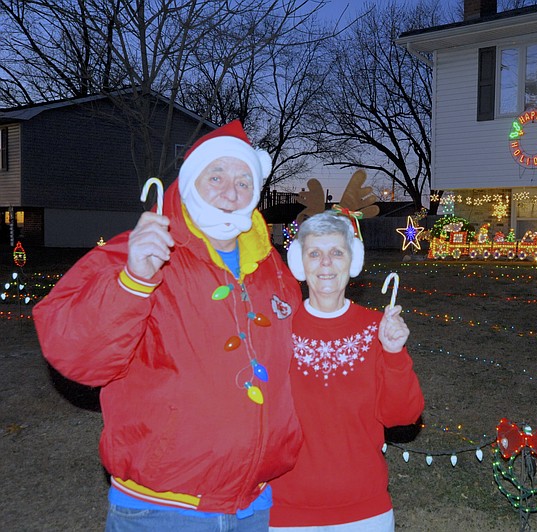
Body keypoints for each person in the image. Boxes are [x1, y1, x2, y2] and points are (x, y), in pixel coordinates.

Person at [33, 120, 303, 531]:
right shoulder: (142, 249)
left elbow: (296, 364)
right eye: (217, 177)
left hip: (254, 504)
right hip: (163, 510)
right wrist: (134, 281)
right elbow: (76, 352)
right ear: (191, 181)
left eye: (244, 181)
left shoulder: (272, 268)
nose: (231, 192)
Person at [269, 210, 425, 531]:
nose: (326, 263)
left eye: (337, 252)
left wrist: (394, 353)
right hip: (287, 513)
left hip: (365, 512)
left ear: (352, 262)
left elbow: (402, 416)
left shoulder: (376, 329)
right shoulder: (277, 329)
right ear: (299, 264)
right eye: (314, 253)